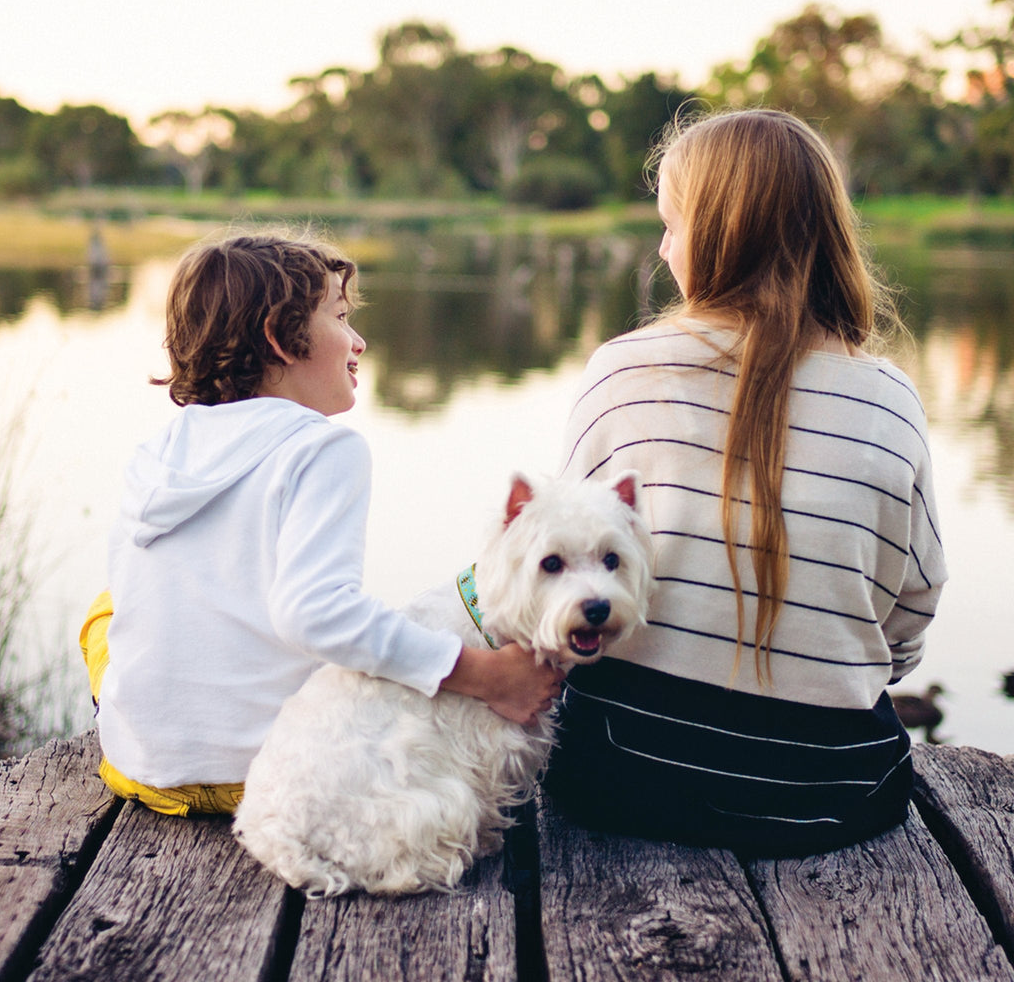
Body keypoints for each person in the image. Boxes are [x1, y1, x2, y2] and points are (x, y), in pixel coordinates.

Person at [543, 109, 947, 856]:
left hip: (622, 771)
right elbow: (910, 608)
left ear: (723, 235)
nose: (663, 251)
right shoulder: (890, 395)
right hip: (830, 790)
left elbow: (561, 579)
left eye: (673, 226)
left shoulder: (622, 370)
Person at [80, 232, 562, 816]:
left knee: (106, 612)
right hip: (275, 776)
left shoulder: (155, 453)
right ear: (281, 340)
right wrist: (486, 676)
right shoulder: (321, 450)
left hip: (140, 771)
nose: (358, 341)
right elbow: (317, 615)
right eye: (340, 316)